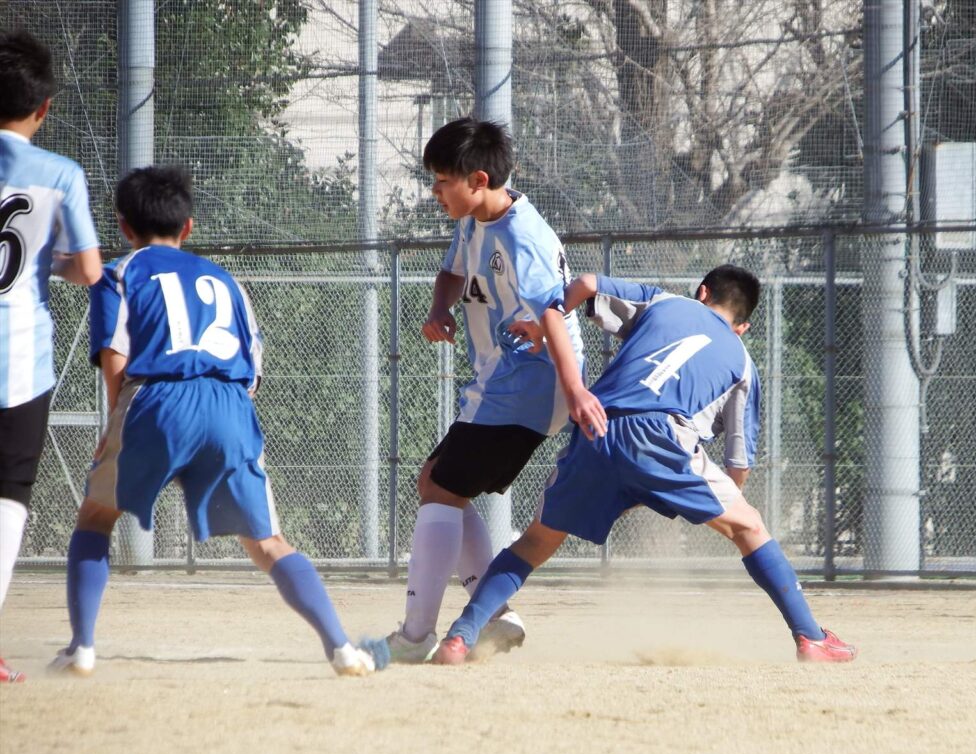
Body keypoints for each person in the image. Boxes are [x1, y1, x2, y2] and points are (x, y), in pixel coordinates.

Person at [46, 165, 387, 678]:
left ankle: (81, 648)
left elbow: (116, 354)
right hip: (229, 402)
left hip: (157, 398)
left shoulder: (117, 273)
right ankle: (341, 648)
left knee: (96, 517)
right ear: (188, 226)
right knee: (268, 542)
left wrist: (116, 424)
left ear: (123, 226)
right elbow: (253, 369)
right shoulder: (226, 281)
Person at [432, 266, 857, 664]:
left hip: (597, 425)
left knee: (534, 543)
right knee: (751, 527)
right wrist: (721, 505)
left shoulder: (663, 302)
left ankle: (460, 637)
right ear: (742, 326)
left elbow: (587, 283)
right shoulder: (743, 362)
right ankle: (812, 638)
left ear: (702, 292)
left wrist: (545, 325)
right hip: (663, 435)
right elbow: (738, 460)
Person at [387, 117, 607, 663]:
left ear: (478, 180)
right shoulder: (474, 219)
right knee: (436, 484)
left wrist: (576, 392)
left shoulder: (522, 237)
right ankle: (494, 614)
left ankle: (416, 637)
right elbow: (452, 273)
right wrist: (440, 309)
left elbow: (554, 316)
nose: (435, 192)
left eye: (442, 181)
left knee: (441, 488)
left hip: (529, 383)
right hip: (498, 380)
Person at [0, 30, 103, 684]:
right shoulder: (60, 173)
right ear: (43, 108)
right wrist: (48, 266)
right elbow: (89, 269)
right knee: (8, 496)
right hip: (19, 360)